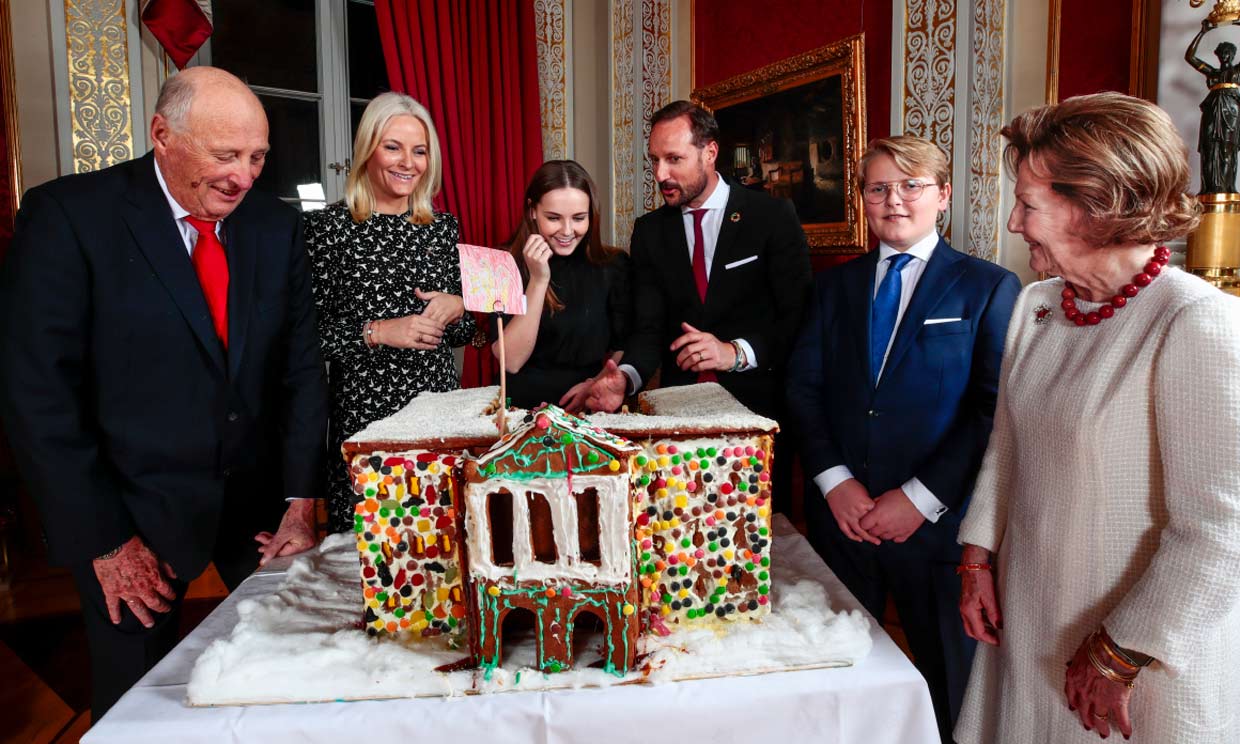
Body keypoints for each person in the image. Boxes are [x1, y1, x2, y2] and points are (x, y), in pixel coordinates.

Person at [0, 67, 328, 719]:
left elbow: (300, 369)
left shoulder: (275, 226)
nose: (244, 177)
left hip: (258, 503)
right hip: (131, 512)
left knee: (299, 664)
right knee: (135, 705)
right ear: (162, 136)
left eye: (258, 157)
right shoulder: (70, 216)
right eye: (225, 155)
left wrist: (301, 500)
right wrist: (104, 539)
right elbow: (38, 394)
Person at [955, 92, 1240, 744]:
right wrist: (977, 557)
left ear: (1098, 205)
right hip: (1032, 614)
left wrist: (1122, 650)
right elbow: (1008, 443)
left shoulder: (1194, 321)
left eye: (1029, 203)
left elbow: (1223, 527)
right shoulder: (1039, 305)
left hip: (1134, 654)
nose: (1014, 223)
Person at [785, 135, 1020, 742]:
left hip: (936, 531)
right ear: (863, 198)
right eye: (878, 188)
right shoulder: (834, 286)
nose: (894, 200)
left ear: (942, 195)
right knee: (838, 683)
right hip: (842, 525)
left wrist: (917, 499)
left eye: (910, 185)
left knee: (950, 687)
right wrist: (836, 483)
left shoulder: (988, 287)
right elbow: (803, 390)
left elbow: (991, 411)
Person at [304, 92, 475, 534]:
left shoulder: (442, 229)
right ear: (368, 150)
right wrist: (378, 331)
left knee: (440, 548)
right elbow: (308, 336)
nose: (408, 162)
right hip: (366, 422)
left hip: (437, 417)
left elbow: (470, 330)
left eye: (419, 151)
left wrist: (458, 306)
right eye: (393, 146)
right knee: (372, 560)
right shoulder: (329, 228)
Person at [585, 100, 812, 425]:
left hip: (761, 410)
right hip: (678, 416)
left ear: (710, 153)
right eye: (655, 160)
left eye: (674, 159)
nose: (661, 174)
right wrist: (626, 377)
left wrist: (734, 353)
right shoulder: (650, 232)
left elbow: (799, 316)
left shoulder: (771, 216)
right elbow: (648, 330)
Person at [491, 160, 628, 410]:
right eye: (553, 218)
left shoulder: (613, 265)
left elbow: (622, 347)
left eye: (578, 218)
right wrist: (539, 279)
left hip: (592, 407)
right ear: (532, 210)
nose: (567, 231)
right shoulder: (503, 264)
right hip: (521, 412)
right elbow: (510, 361)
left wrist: (594, 384)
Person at [1186, 18, 1240, 194]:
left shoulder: (1236, 72)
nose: (1224, 56)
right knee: (1209, 149)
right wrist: (1202, 32)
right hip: (1212, 110)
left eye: (1227, 53)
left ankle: (1227, 188)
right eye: (1222, 53)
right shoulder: (1213, 73)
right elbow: (1190, 57)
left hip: (1230, 111)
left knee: (1227, 149)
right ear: (1218, 55)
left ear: (1232, 55)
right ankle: (1209, 189)